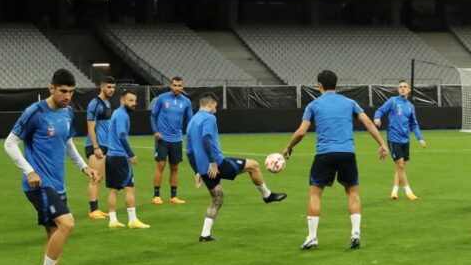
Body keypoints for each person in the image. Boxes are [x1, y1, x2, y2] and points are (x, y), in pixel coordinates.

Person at [3, 68, 100, 265]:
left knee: (55, 236)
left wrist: (84, 167)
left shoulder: (67, 113)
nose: (67, 96)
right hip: (39, 184)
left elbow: (67, 143)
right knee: (67, 224)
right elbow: (10, 143)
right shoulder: (35, 112)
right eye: (63, 91)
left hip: (58, 184)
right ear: (51, 88)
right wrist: (29, 170)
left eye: (71, 92)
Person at [282, 70, 388, 250]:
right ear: (336, 85)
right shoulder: (350, 102)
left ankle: (312, 237)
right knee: (352, 192)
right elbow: (368, 123)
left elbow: (301, 132)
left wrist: (289, 147)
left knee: (315, 193)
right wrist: (382, 143)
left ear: (319, 86)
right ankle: (355, 233)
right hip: (347, 153)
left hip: (324, 154)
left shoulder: (313, 105)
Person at [187, 93, 287, 242]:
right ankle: (267, 195)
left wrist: (197, 172)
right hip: (217, 164)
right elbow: (206, 138)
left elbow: (189, 152)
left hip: (203, 170)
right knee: (253, 165)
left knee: (217, 199)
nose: (216, 110)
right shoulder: (209, 118)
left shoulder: (191, 122)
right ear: (210, 104)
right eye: (215, 106)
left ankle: (205, 234)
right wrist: (213, 162)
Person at [373, 79, 426, 201]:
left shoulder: (410, 106)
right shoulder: (393, 101)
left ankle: (394, 191)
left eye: (405, 87)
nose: (402, 88)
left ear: (409, 90)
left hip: (405, 140)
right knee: (400, 164)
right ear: (398, 89)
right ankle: (408, 191)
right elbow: (380, 110)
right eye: (400, 87)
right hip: (393, 138)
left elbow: (414, 124)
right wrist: (377, 117)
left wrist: (420, 138)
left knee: (400, 167)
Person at [104, 91, 150, 229]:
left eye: (134, 100)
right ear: (122, 101)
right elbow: (122, 135)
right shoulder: (122, 115)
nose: (133, 103)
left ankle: (113, 220)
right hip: (120, 157)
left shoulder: (117, 113)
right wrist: (131, 154)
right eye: (130, 100)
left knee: (114, 189)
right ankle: (133, 220)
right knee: (130, 187)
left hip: (111, 156)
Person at [150, 76, 193, 205]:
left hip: (177, 139)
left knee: (175, 168)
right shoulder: (162, 98)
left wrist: (191, 135)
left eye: (179, 86)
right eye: (175, 85)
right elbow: (153, 116)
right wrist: (155, 131)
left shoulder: (186, 102)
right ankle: (156, 196)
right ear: (171, 85)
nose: (177, 88)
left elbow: (190, 120)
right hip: (162, 138)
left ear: (183, 86)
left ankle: (173, 196)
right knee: (160, 165)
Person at [84, 75, 117, 219]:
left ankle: (96, 209)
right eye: (109, 87)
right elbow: (90, 127)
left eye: (113, 87)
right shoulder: (94, 104)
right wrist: (96, 147)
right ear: (102, 87)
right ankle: (93, 211)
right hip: (96, 145)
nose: (112, 90)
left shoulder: (108, 103)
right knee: (95, 177)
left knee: (100, 177)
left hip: (105, 144)